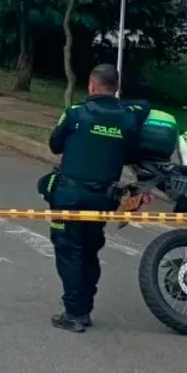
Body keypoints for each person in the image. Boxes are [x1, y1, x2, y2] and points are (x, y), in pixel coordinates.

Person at [43, 63, 141, 333]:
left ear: (92, 85)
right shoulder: (128, 120)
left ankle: (74, 313)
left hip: (70, 198)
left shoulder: (76, 114)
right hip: (103, 200)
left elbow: (54, 145)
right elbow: (132, 152)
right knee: (89, 250)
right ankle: (84, 309)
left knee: (69, 251)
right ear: (116, 87)